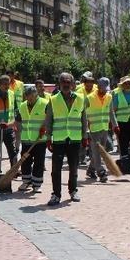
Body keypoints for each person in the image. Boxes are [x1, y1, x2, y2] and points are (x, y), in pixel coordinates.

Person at [45, 72, 88, 206]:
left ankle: (73, 191)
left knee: (74, 167)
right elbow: (49, 120)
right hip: (59, 139)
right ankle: (56, 194)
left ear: (73, 84)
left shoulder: (80, 98)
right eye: (63, 82)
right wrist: (48, 138)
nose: (66, 84)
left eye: (68, 82)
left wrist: (85, 136)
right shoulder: (53, 99)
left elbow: (84, 118)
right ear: (59, 84)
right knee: (56, 169)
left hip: (74, 139)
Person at [16, 87, 48, 193]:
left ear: (36, 95)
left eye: (31, 97)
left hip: (40, 140)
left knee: (39, 162)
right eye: (27, 97)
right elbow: (18, 120)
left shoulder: (44, 103)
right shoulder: (22, 105)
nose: (29, 100)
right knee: (25, 161)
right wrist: (8, 125)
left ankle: (37, 184)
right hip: (26, 138)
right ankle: (26, 181)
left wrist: (45, 127)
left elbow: (49, 118)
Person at [85, 77, 114, 182]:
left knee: (102, 151)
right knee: (97, 151)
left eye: (106, 89)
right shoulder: (89, 98)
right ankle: (101, 172)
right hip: (93, 129)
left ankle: (91, 169)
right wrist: (85, 129)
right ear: (98, 86)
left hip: (104, 128)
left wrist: (115, 125)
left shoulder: (109, 97)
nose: (105, 91)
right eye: (103, 88)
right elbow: (83, 114)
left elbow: (111, 112)